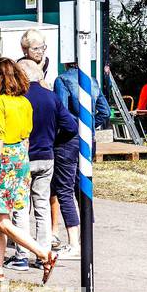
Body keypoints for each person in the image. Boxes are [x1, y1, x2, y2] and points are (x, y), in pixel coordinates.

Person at [0, 58, 58, 283]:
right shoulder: (25, 103)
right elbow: (26, 137)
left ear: (1, 77)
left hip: (3, 161)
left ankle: (43, 253)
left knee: (2, 220)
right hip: (22, 160)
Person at [5, 59, 76, 271]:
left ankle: (22, 255)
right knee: (42, 206)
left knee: (21, 207)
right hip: (46, 157)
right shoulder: (51, 97)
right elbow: (71, 126)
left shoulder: (16, 98)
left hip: (24, 157)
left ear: (22, 76)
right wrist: (53, 138)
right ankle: (44, 254)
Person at [51, 60, 110, 257]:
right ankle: (87, 236)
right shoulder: (91, 81)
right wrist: (89, 125)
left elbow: (61, 113)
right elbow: (105, 111)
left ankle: (73, 241)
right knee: (82, 186)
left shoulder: (62, 80)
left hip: (68, 140)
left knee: (64, 189)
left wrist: (69, 129)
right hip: (88, 139)